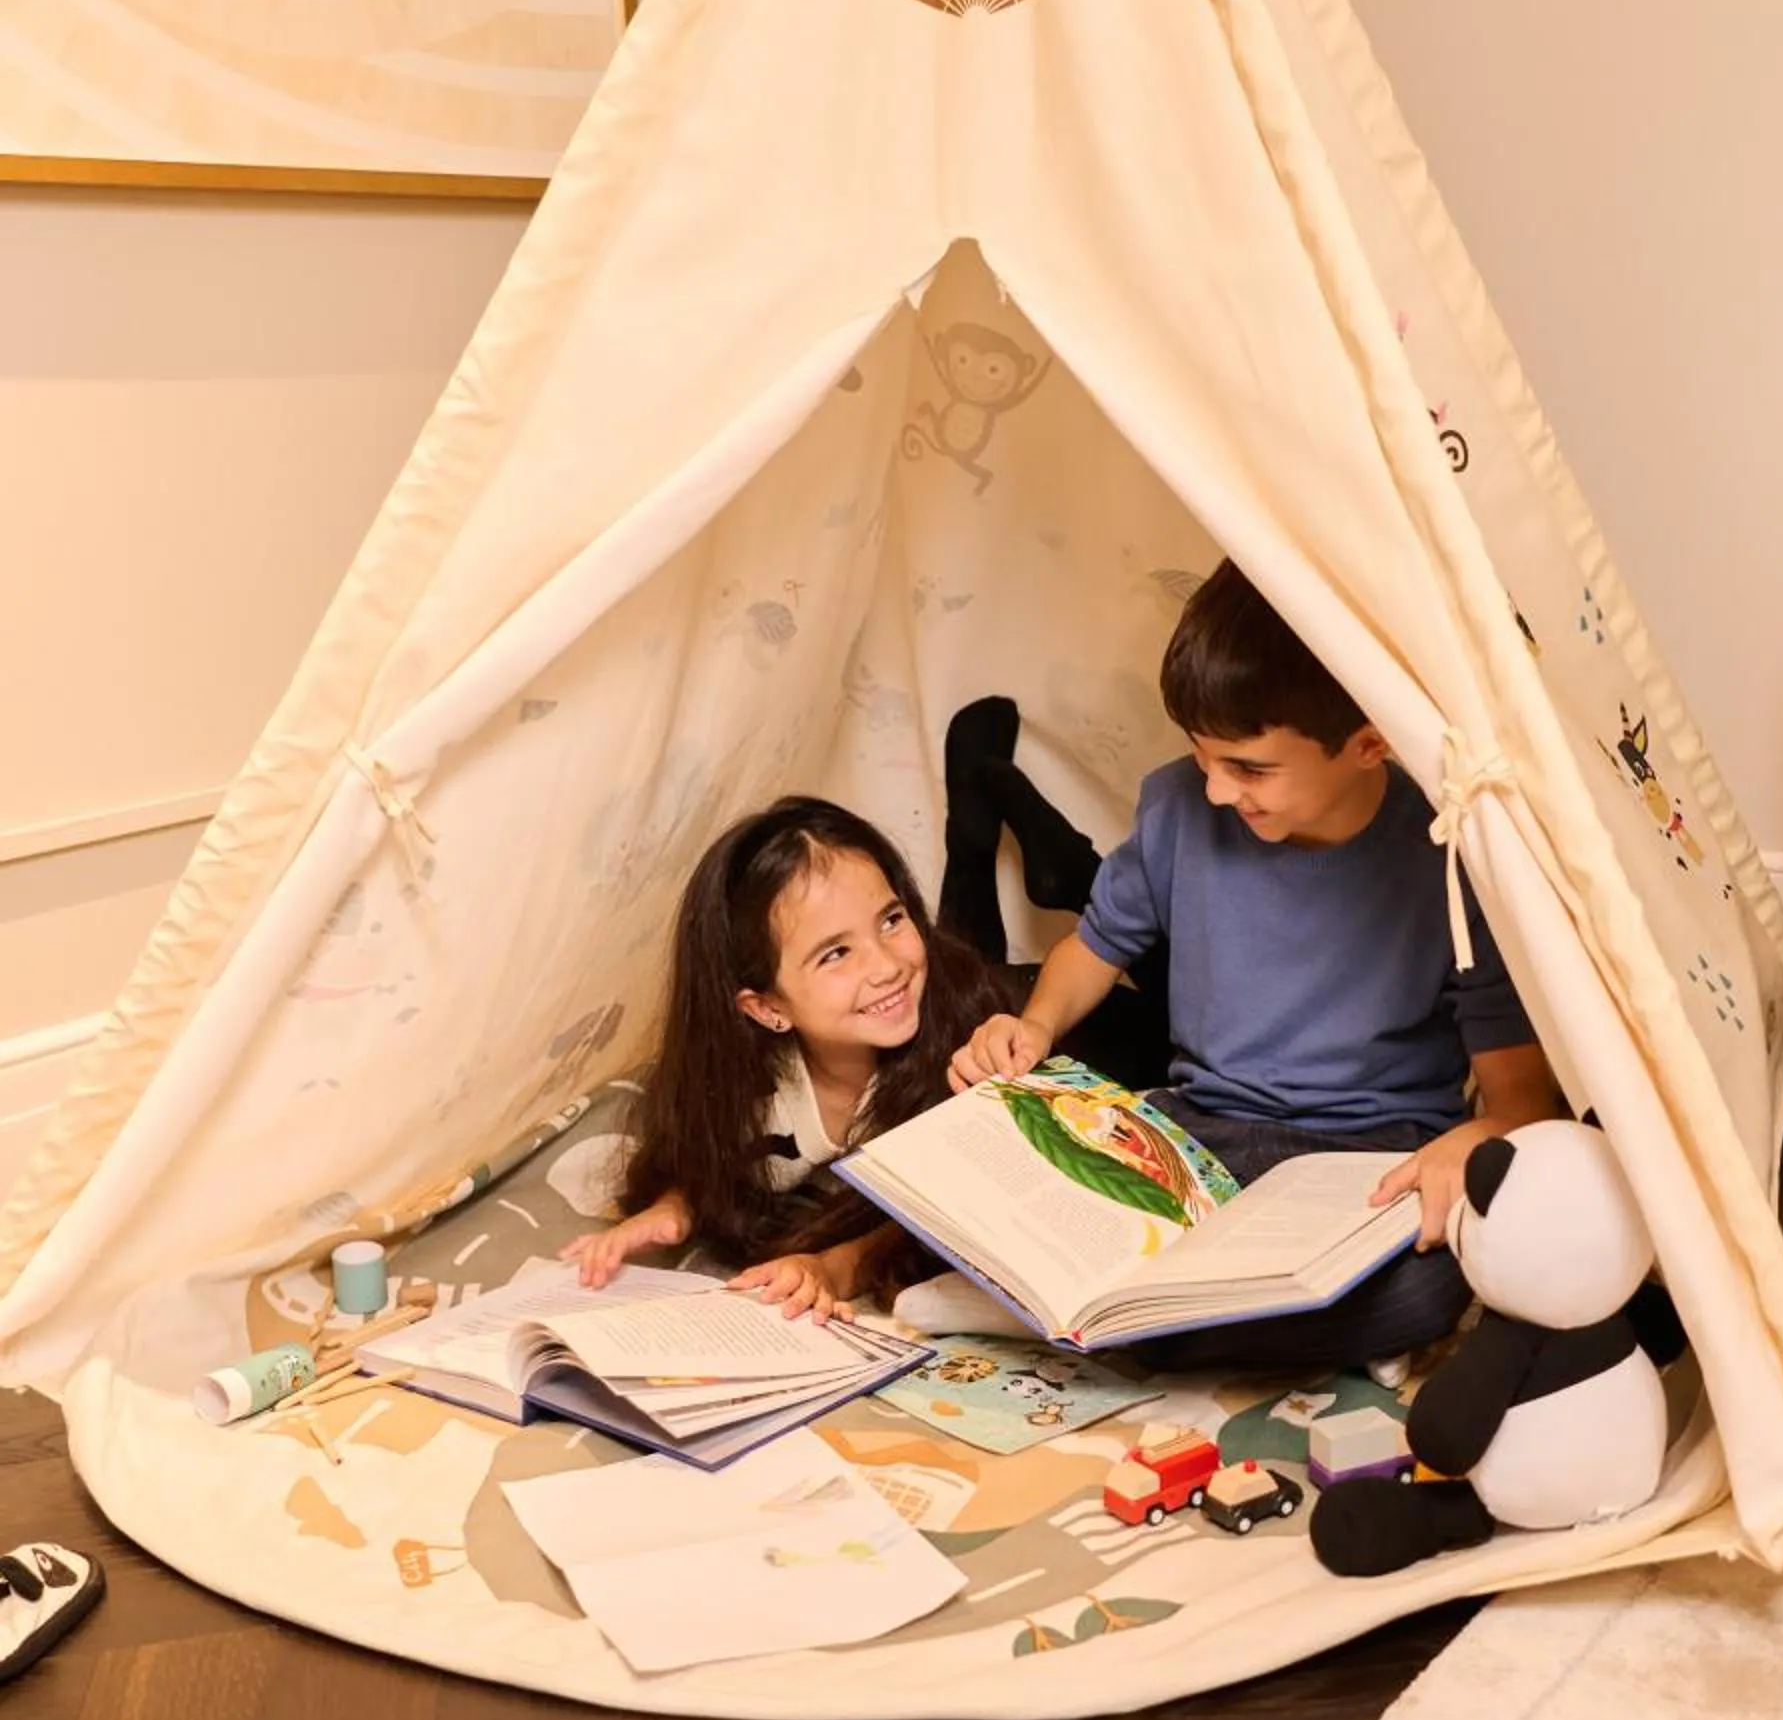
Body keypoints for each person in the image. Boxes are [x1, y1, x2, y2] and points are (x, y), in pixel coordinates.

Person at [951, 561, 1566, 1368]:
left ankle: (1097, 1320)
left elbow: (1520, 1098)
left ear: (1368, 743)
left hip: (1371, 1154)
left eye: (1247, 768)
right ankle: (1138, 1312)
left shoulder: (1449, 853)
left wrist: (1479, 1135)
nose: (1214, 790)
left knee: (1429, 1286)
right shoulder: (1177, 808)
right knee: (1004, 1182)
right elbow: (1094, 948)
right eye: (1202, 758)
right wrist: (1032, 1025)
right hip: (1198, 1130)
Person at [565, 717, 1166, 1319]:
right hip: (965, 985)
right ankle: (983, 822)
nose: (881, 964)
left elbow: (937, 1221)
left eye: (890, 917)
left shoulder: (964, 1039)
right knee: (956, 949)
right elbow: (709, 1157)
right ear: (767, 1008)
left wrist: (833, 1267)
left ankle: (1059, 857)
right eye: (835, 953)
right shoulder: (754, 1087)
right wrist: (675, 1207)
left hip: (1089, 1027)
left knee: (1164, 972)